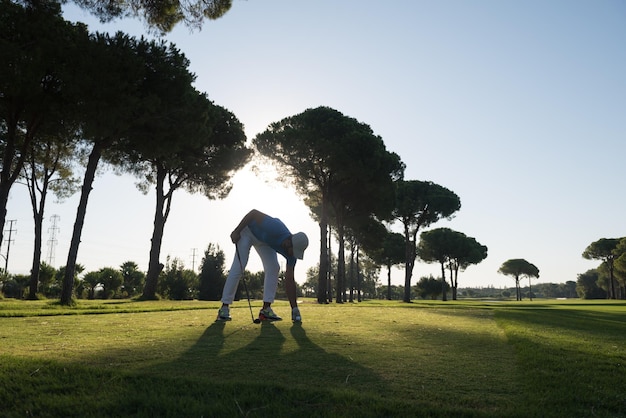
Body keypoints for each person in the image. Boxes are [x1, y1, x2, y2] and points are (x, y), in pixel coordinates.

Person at [216, 209, 309, 323]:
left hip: (264, 242)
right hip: (248, 232)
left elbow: (290, 280)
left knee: (274, 267)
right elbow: (253, 213)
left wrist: (294, 308)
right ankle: (224, 309)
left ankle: (266, 309)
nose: (292, 254)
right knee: (239, 266)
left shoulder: (292, 255)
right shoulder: (276, 227)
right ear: (289, 241)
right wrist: (237, 230)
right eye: (293, 250)